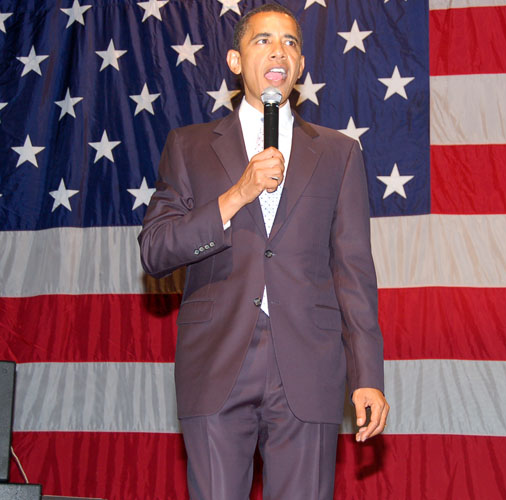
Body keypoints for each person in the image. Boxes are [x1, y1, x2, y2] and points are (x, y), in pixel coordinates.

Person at [138, 4, 389, 499]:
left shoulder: (339, 153)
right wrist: (236, 195)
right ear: (235, 61)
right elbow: (155, 250)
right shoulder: (189, 147)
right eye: (263, 40)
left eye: (291, 43)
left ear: (299, 67)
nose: (280, 50)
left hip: (309, 363)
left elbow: (354, 270)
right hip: (216, 360)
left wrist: (368, 375)